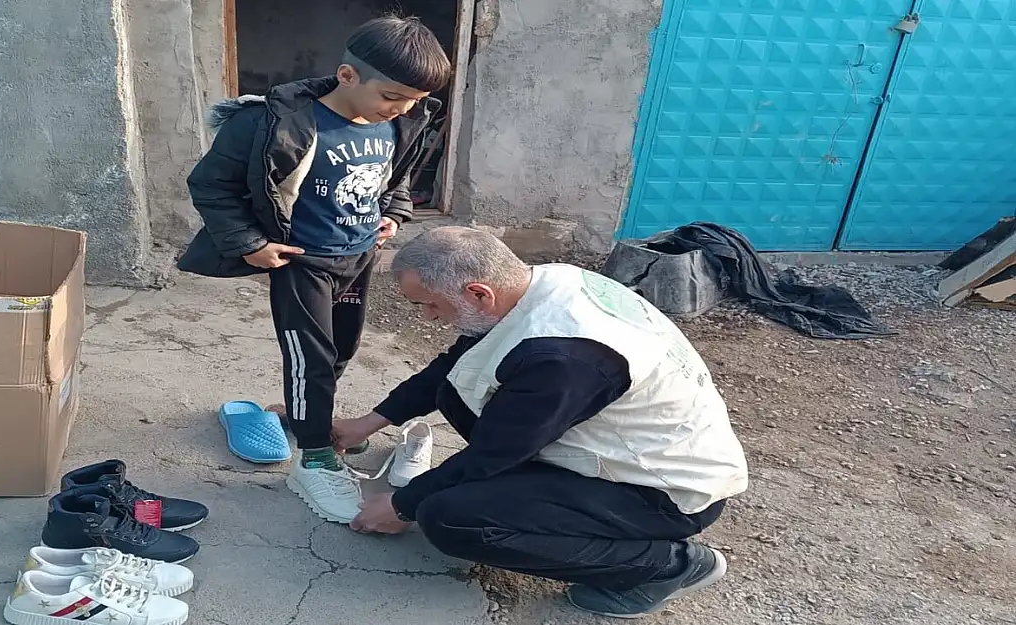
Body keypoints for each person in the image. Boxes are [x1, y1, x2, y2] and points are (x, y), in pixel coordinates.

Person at [334, 226, 750, 618]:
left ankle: (666, 566)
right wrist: (368, 423)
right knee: (456, 389)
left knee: (451, 518)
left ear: (478, 293)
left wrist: (401, 506)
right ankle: (540, 503)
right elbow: (453, 365)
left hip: (663, 492)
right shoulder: (536, 285)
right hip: (621, 449)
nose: (428, 317)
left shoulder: (563, 356)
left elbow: (490, 456)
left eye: (431, 304)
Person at [176, 15, 451, 523]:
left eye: (414, 99)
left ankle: (308, 417)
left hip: (360, 255)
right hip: (303, 262)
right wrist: (250, 243)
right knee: (310, 356)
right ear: (348, 76)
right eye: (393, 95)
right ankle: (313, 457)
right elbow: (210, 184)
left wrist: (392, 214)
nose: (406, 107)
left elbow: (397, 177)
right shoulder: (274, 122)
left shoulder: (401, 121)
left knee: (341, 348)